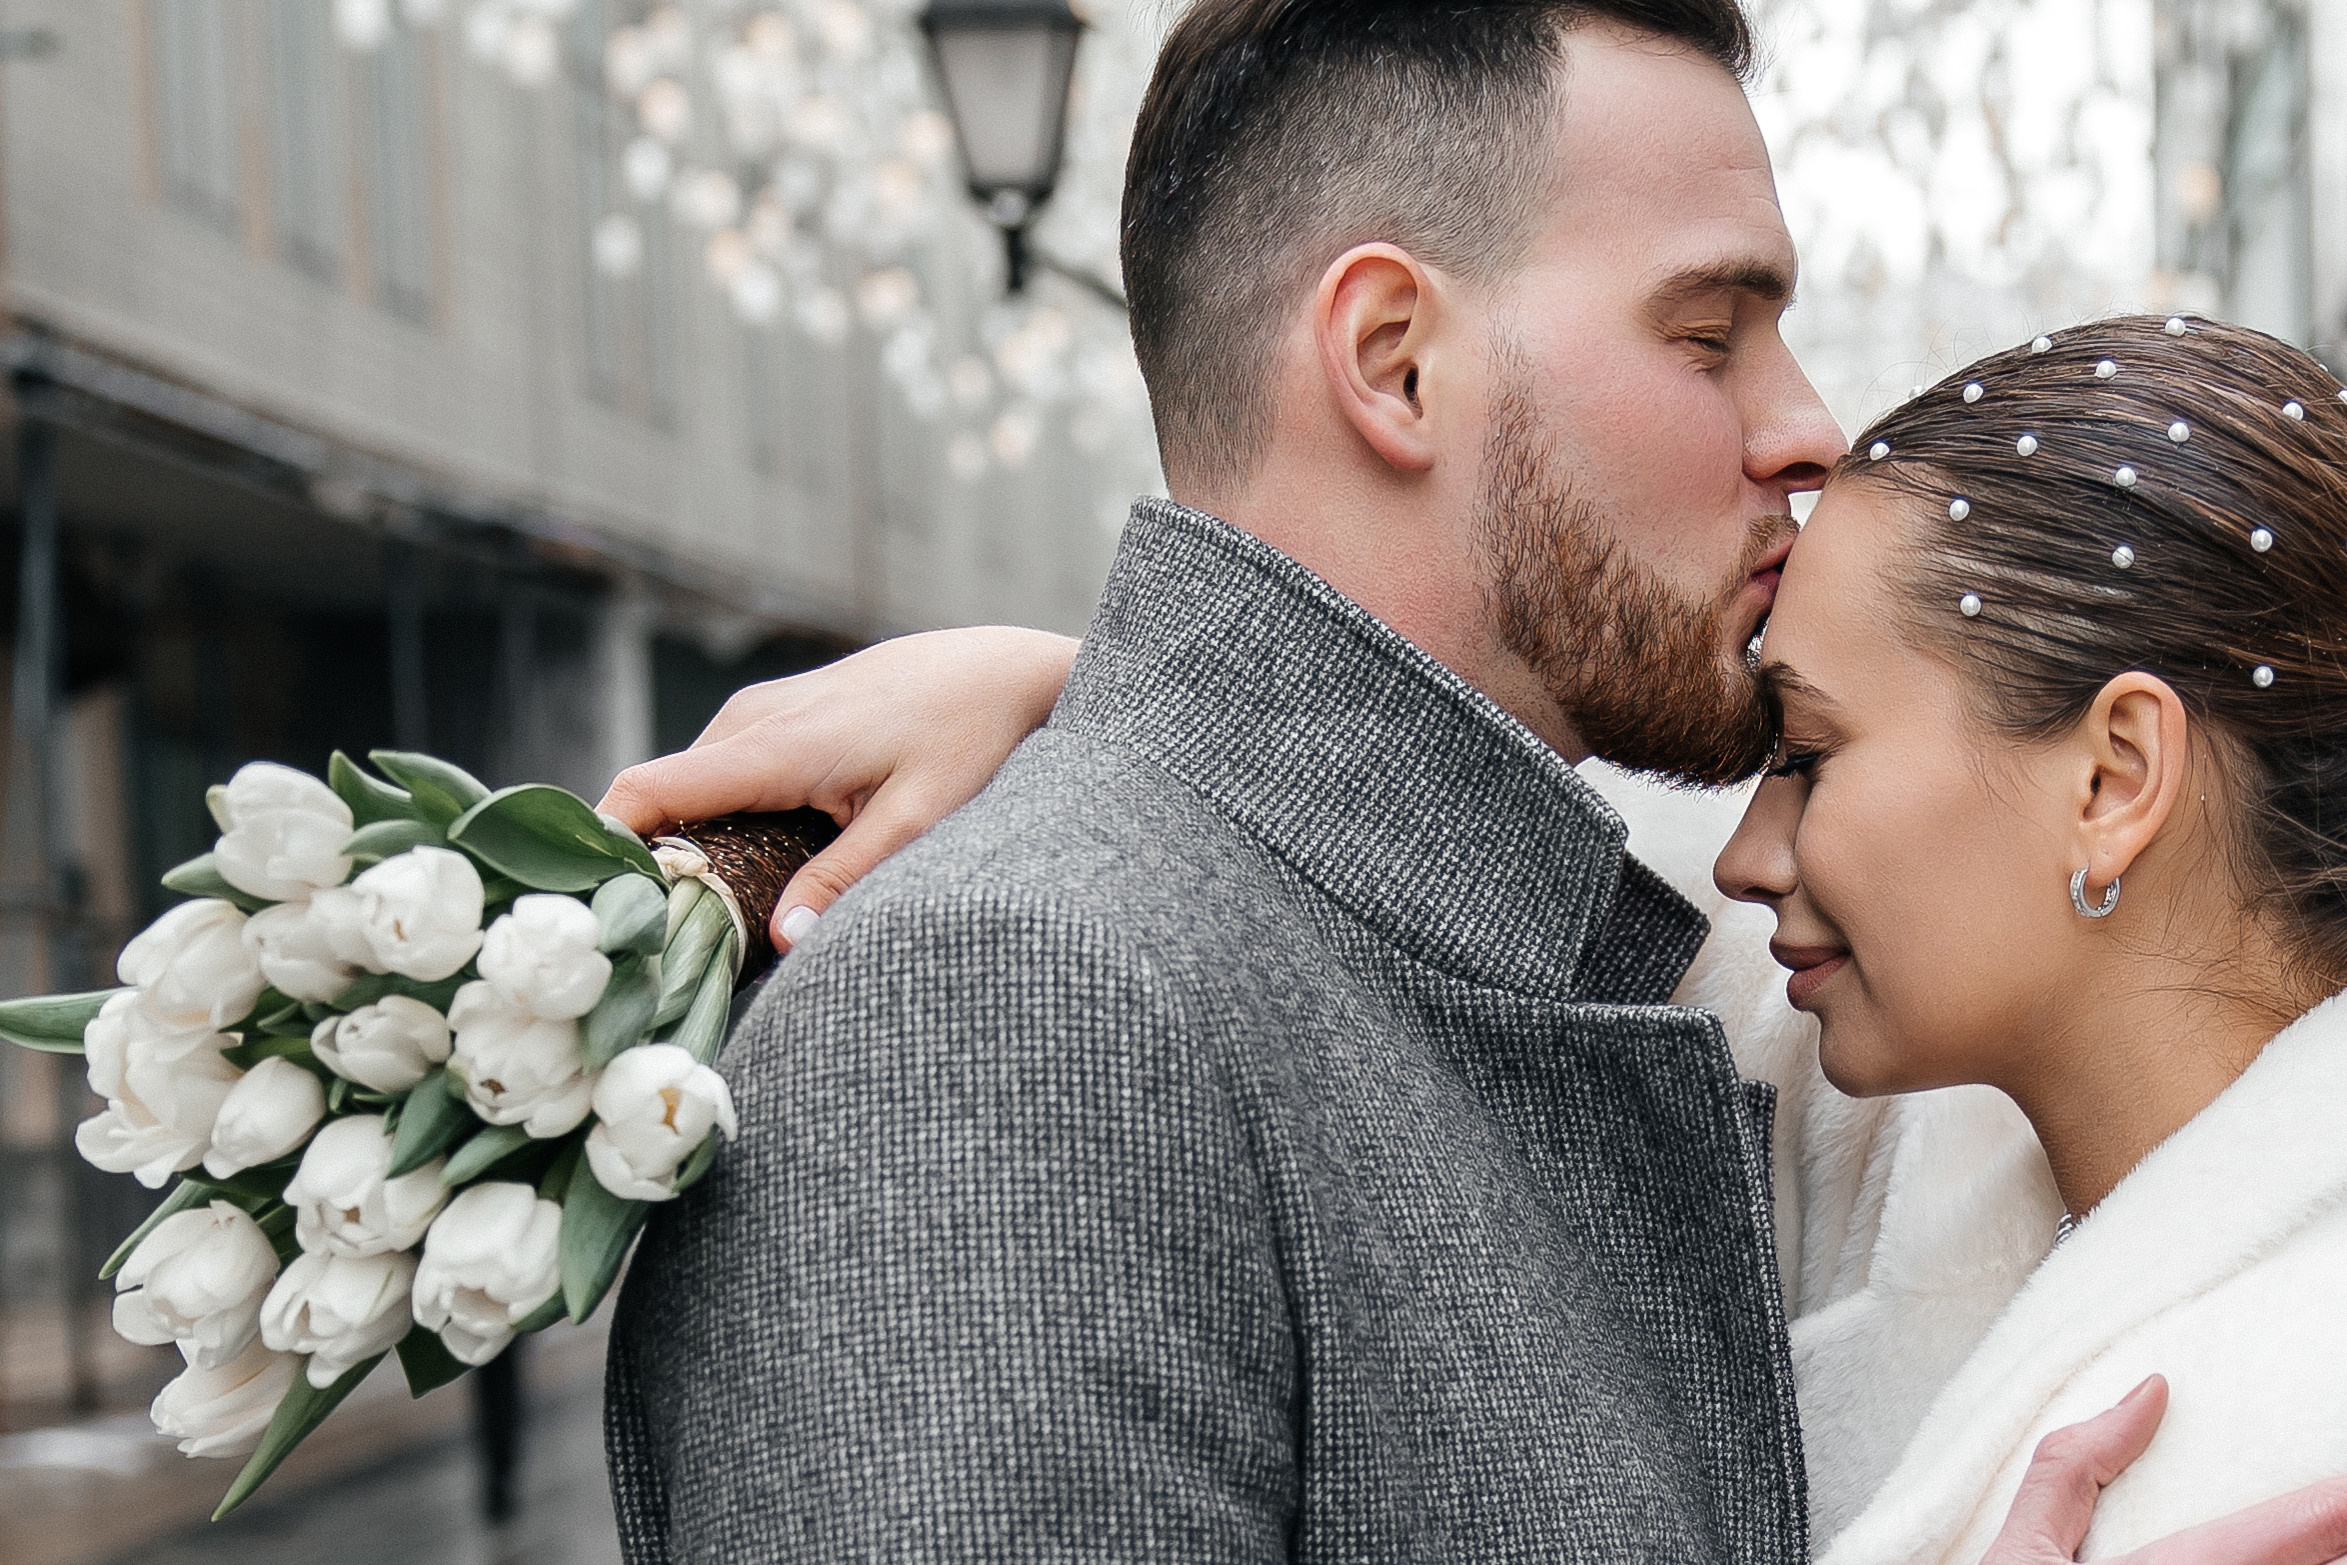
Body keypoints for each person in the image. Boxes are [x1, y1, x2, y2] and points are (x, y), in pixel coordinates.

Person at [599, 1, 2347, 1559]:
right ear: (1394, 361)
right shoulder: (1007, 1011)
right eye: (1709, 332)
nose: (1810, 424)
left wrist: (1072, 685)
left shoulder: (1502, 962)